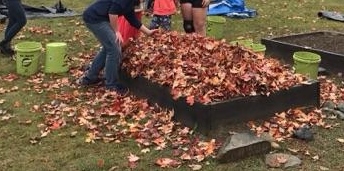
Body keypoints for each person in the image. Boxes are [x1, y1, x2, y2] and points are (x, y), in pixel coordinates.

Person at [80, 0, 157, 95]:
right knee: (114, 48)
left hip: (101, 18)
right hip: (95, 18)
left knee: (109, 47)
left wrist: (148, 32)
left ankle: (90, 77)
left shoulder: (130, 3)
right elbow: (112, 12)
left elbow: (133, 20)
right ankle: (111, 85)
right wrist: (116, 31)